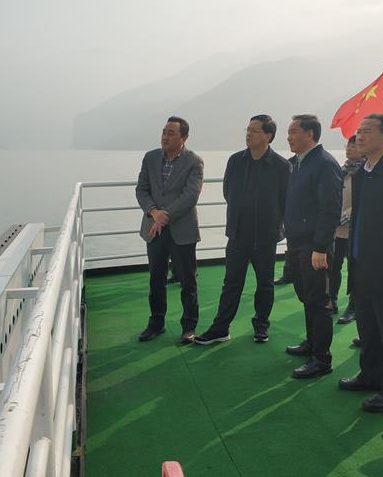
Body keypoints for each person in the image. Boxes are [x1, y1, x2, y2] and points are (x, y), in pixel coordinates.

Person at [194, 115, 291, 345]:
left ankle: (261, 326)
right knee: (231, 283)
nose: (248, 134)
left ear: (268, 135)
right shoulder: (235, 161)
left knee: (265, 284)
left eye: (254, 130)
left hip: (266, 236)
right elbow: (228, 192)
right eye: (247, 129)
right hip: (238, 233)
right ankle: (220, 328)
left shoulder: (281, 166)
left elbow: (286, 200)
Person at [338, 114, 383, 414]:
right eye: (358, 131)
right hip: (361, 262)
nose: (359, 136)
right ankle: (370, 375)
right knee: (367, 326)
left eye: (367, 131)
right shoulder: (362, 171)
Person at [283, 114, 343, 378]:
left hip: (314, 245)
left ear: (310, 134)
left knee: (318, 300)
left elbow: (330, 208)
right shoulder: (297, 163)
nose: (289, 137)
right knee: (305, 295)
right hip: (296, 242)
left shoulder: (324, 163)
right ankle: (312, 342)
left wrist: (320, 247)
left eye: (293, 132)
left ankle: (322, 359)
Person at [135, 116, 204, 344]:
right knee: (156, 279)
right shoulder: (151, 158)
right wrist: (153, 212)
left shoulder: (194, 162)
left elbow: (190, 196)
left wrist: (164, 216)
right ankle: (156, 323)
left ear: (184, 138)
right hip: (153, 229)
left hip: (182, 230)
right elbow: (142, 190)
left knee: (187, 280)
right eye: (164, 132)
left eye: (171, 133)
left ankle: (189, 327)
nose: (165, 137)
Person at [331, 134, 363, 324]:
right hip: (336, 228)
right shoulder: (342, 170)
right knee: (333, 266)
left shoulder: (365, 171)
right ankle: (331, 300)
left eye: (354, 145)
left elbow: (364, 199)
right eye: (348, 145)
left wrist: (347, 214)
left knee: (354, 269)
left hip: (354, 228)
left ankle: (353, 307)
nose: (349, 148)